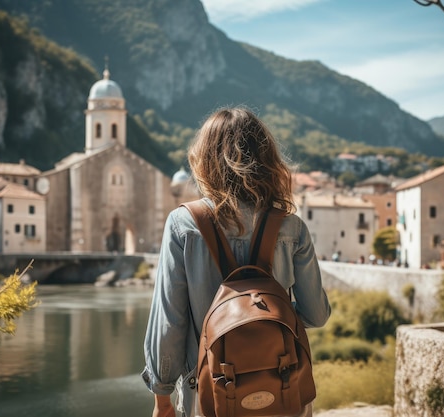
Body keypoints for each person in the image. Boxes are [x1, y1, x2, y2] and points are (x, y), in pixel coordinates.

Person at [142, 106, 331, 417]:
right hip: (283, 392)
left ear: (204, 160)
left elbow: (169, 323)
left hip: (209, 394)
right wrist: (269, 314)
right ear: (267, 160)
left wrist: (162, 396)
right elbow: (316, 315)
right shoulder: (291, 227)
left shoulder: (183, 224)